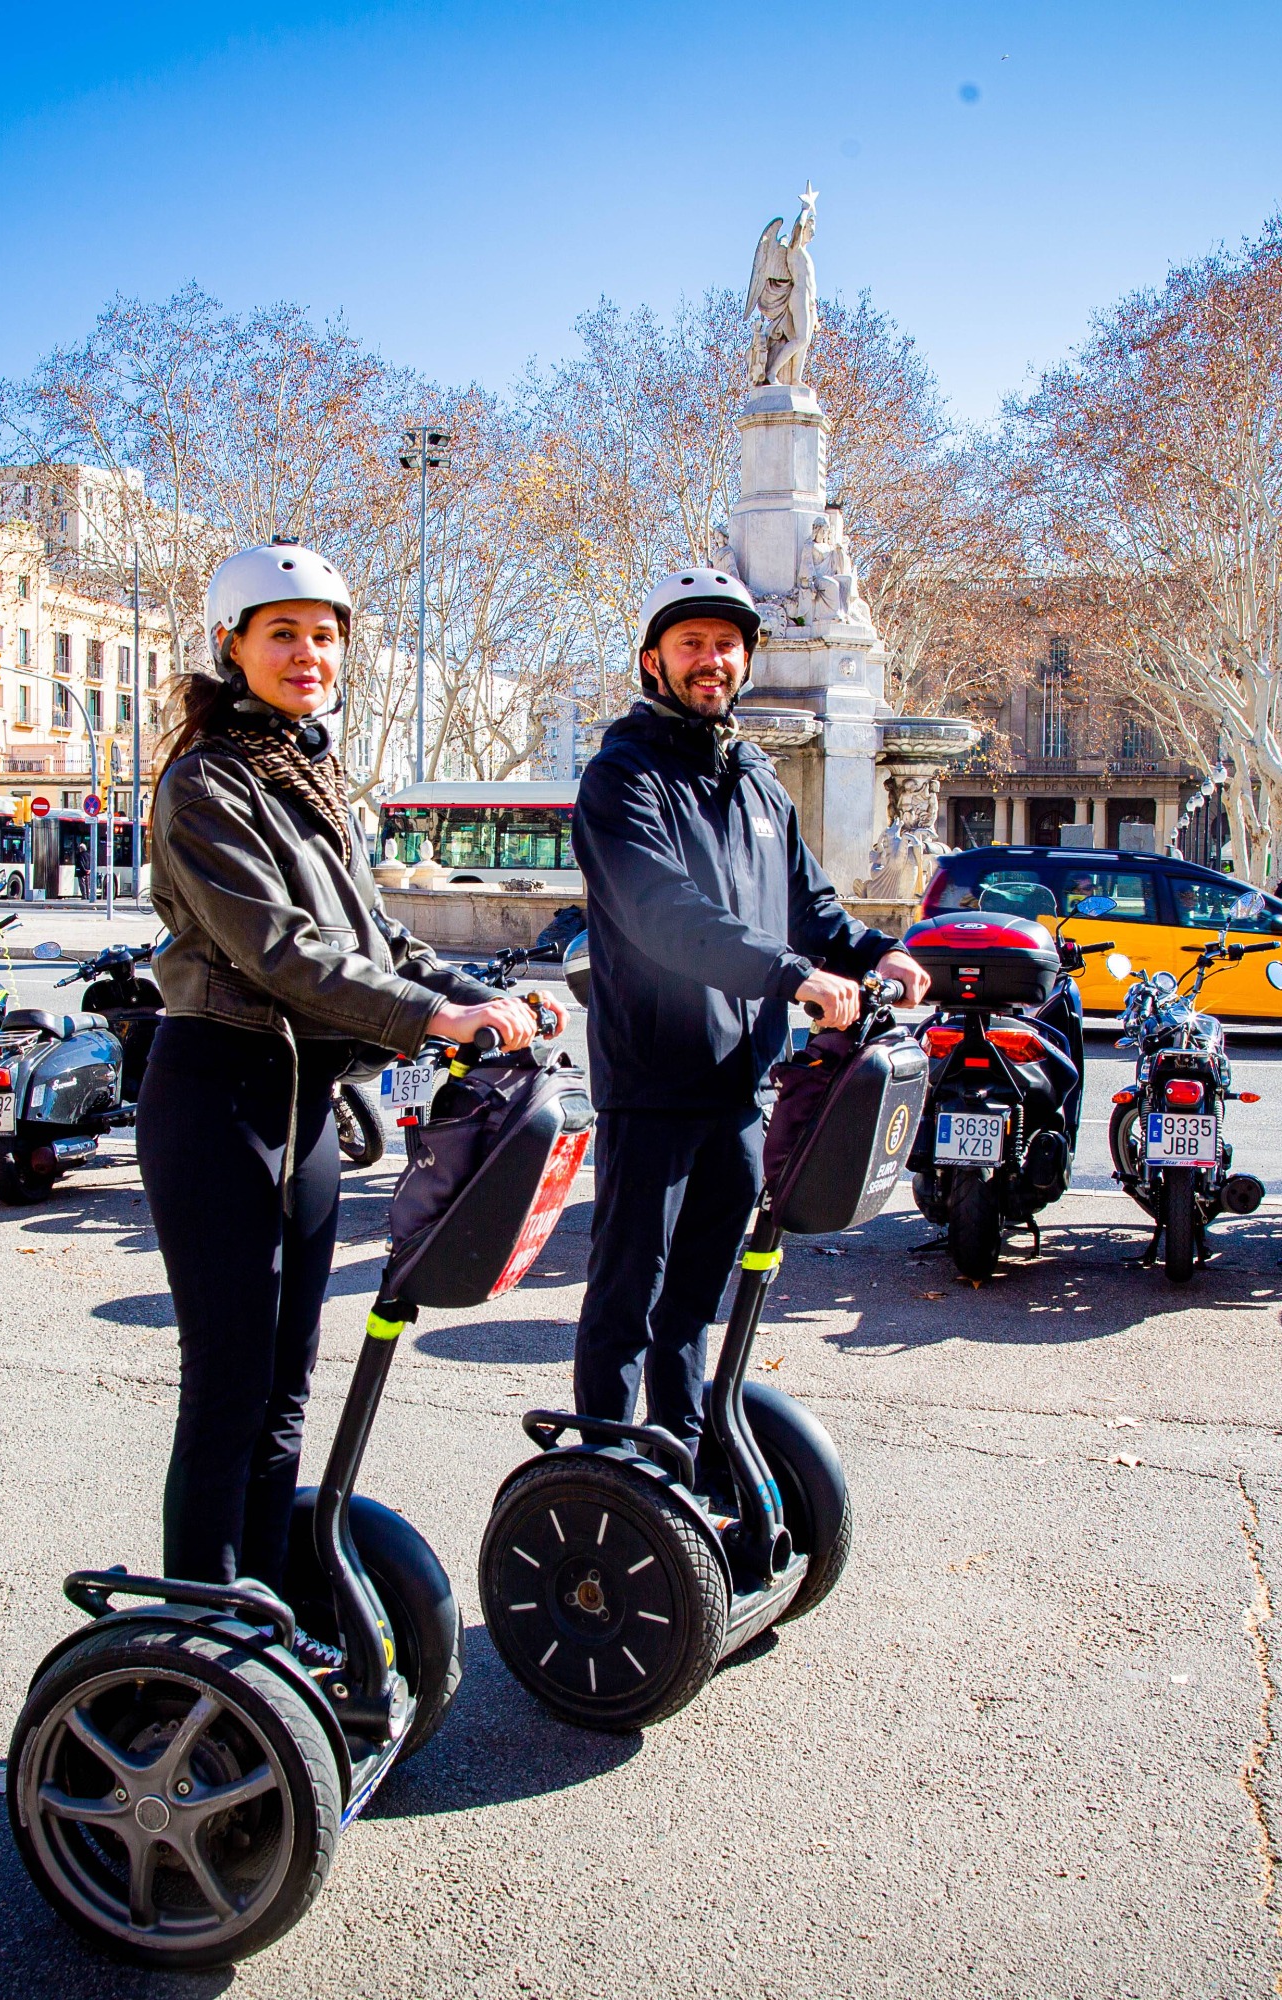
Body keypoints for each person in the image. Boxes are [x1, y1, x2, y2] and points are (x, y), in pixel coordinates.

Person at [143, 538, 536, 1594]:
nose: (308, 652)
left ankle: (265, 1597)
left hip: (304, 1106)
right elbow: (278, 951)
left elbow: (371, 937)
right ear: (232, 646)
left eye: (325, 636)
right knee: (229, 1383)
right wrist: (429, 1018)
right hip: (223, 1096)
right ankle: (205, 1625)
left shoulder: (308, 775)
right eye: (283, 633)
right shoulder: (205, 784)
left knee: (286, 1385)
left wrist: (475, 995)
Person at [571, 563, 930, 1447]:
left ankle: (685, 1447)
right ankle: (608, 1467)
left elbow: (808, 903)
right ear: (651, 660)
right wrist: (791, 975)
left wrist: (876, 949)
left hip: (742, 1082)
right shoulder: (624, 777)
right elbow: (665, 915)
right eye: (691, 644)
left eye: (726, 645)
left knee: (698, 1291)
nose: (712, 660)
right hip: (653, 1082)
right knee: (631, 1292)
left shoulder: (757, 778)